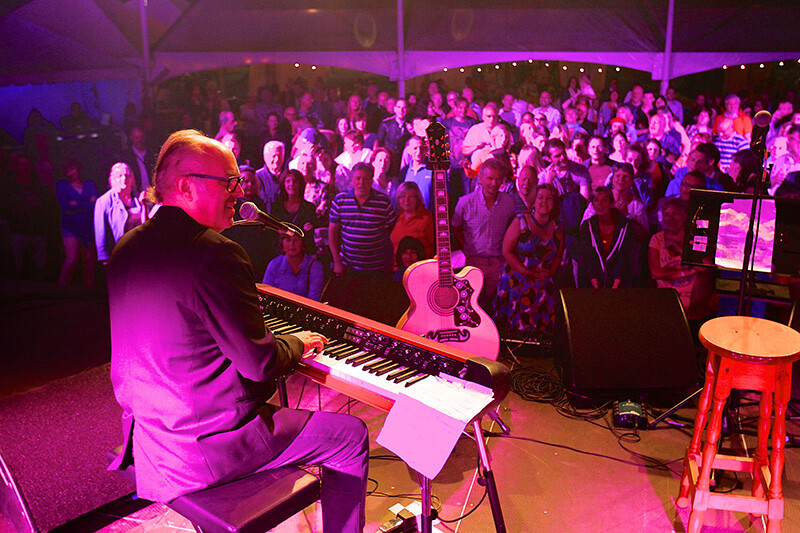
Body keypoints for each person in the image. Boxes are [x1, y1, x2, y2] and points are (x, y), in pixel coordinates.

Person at [107, 129, 368, 533]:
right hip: (204, 447)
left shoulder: (127, 246)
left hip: (151, 435)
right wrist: (298, 342)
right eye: (229, 182)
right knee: (349, 435)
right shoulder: (214, 253)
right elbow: (259, 363)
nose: (240, 192)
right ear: (185, 187)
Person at [494, 183, 564, 339]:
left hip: (543, 281)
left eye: (549, 198)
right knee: (515, 333)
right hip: (517, 279)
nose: (544, 201)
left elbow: (559, 255)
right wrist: (526, 272)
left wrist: (550, 272)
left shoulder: (558, 226)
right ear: (533, 201)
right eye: (540, 197)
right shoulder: (520, 221)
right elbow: (507, 251)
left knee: (542, 334)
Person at [452, 158, 519, 312]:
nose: (494, 183)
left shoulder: (509, 202)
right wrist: (466, 249)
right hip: (474, 261)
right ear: (480, 179)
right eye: (490, 178)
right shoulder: (465, 203)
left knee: (496, 306)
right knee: (472, 306)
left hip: (499, 262)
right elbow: (456, 227)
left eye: (498, 179)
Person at [649, 198, 714, 329]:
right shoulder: (657, 239)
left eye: (676, 213)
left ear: (685, 215)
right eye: (666, 214)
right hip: (668, 309)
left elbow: (704, 267)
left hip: (696, 312)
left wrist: (680, 249)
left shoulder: (697, 237)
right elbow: (655, 273)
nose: (670, 218)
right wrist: (689, 271)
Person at [329, 162, 397, 278]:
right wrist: (337, 262)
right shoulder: (340, 200)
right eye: (358, 178)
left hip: (377, 268)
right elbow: (332, 232)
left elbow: (392, 231)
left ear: (371, 181)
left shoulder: (383, 201)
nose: (361, 183)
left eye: (366, 179)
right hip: (347, 267)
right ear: (352, 180)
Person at [578, 186, 638, 289]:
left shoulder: (625, 225)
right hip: (593, 285)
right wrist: (595, 285)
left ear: (611, 203)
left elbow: (624, 256)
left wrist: (615, 285)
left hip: (620, 284)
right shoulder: (587, 226)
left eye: (604, 200)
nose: (600, 204)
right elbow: (588, 256)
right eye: (596, 200)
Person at [94, 162, 146, 266]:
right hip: (119, 253)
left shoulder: (140, 197)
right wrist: (104, 258)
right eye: (119, 176)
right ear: (113, 179)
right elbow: (100, 232)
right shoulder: (104, 201)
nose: (124, 179)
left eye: (127, 175)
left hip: (141, 251)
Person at [56, 159, 97, 286]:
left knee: (89, 259)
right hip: (70, 226)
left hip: (87, 226)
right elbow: (65, 206)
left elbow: (94, 205)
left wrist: (76, 203)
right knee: (72, 258)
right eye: (67, 171)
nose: (71, 173)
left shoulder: (89, 184)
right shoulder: (62, 185)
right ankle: (61, 287)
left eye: (72, 169)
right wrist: (85, 203)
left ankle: (89, 288)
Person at [263, 232, 325, 301]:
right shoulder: (274, 264)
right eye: (288, 240)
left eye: (296, 240)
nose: (292, 244)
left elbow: (314, 299)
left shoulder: (315, 267)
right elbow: (265, 293)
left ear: (303, 244)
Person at [390, 181, 435, 268]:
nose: (406, 200)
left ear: (417, 199)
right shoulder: (396, 217)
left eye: (411, 197)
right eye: (403, 196)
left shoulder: (427, 219)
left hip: (419, 269)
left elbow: (433, 247)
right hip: (396, 269)